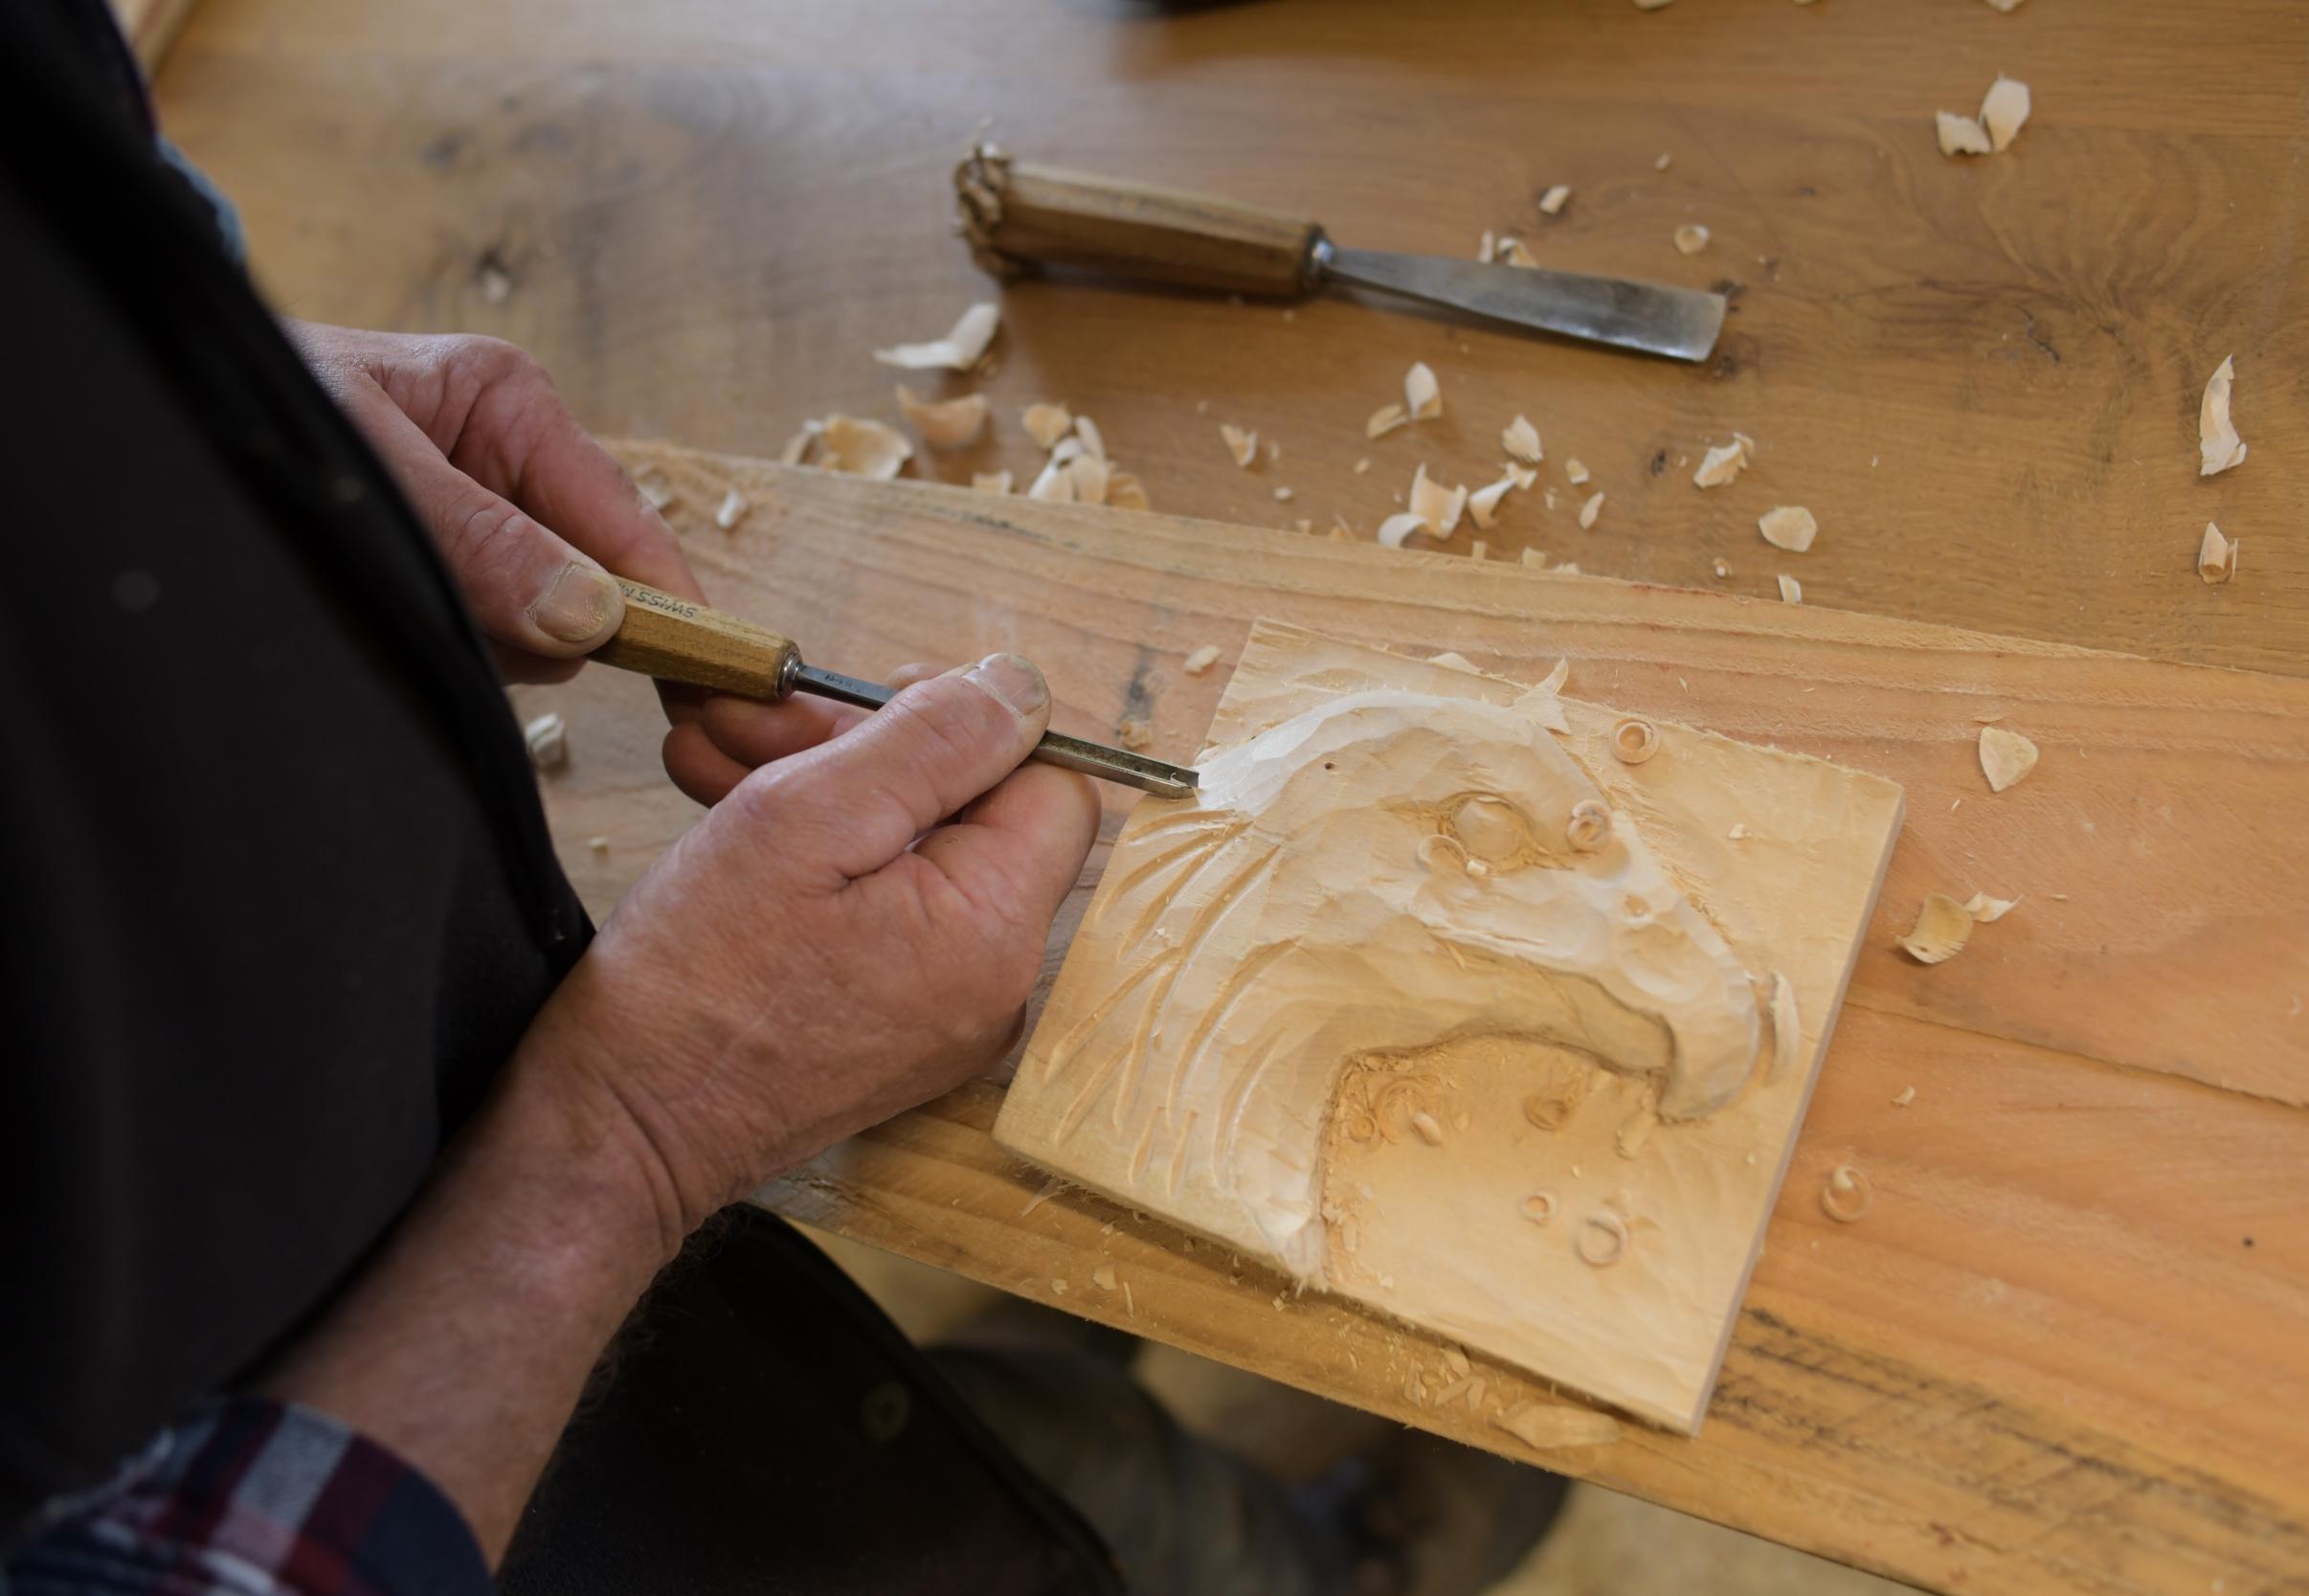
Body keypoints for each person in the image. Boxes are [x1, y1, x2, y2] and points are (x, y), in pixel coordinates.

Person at [1, 3, 1564, 1592]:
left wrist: (227, 397)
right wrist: (638, 1132)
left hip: (427, 1139)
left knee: (993, 1437)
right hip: (417, 1449)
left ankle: (1114, 1431)